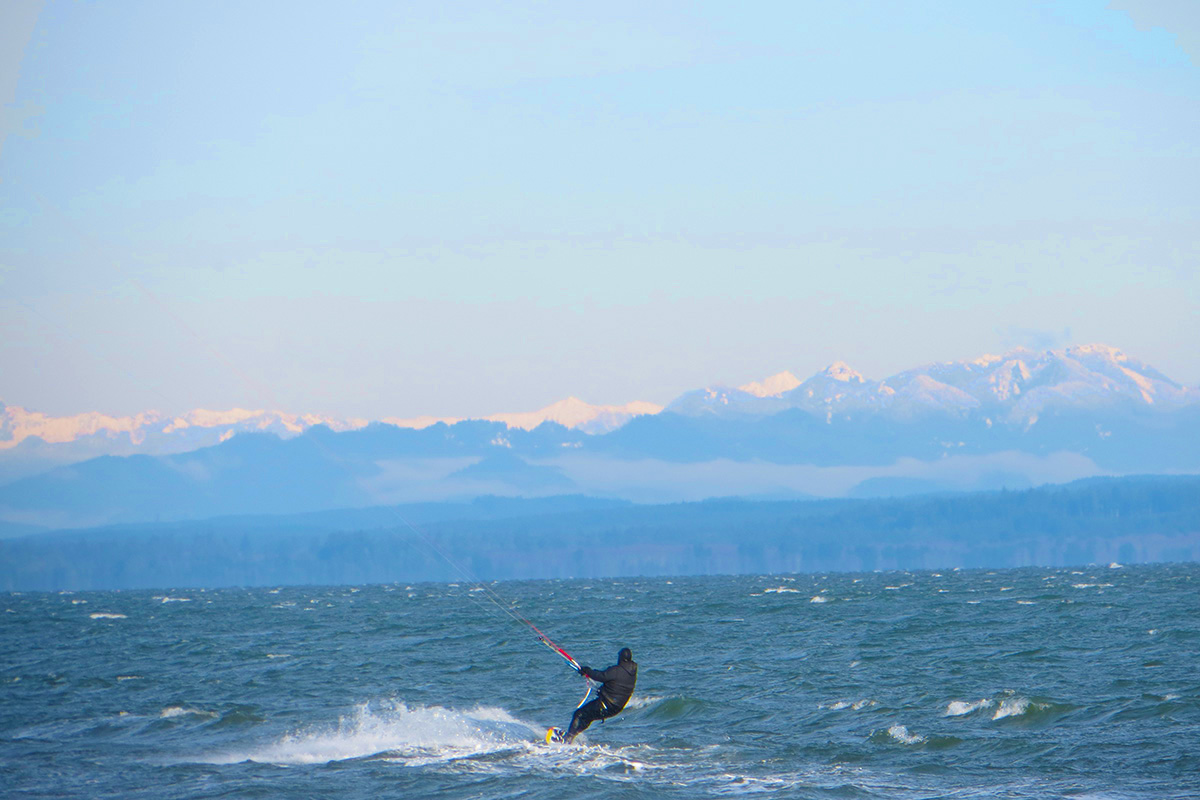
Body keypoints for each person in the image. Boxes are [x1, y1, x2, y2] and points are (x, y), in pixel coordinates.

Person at [565, 647, 637, 742]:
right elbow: (615, 685)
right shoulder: (632, 672)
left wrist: (587, 671)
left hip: (605, 705)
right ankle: (572, 736)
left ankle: (567, 739)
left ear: (621, 658)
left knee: (579, 714)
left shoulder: (617, 670)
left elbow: (600, 676)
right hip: (616, 708)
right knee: (587, 717)